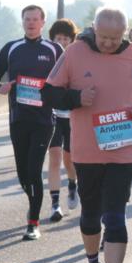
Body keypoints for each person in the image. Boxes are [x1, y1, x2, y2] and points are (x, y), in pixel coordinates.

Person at [45, 7, 132, 263]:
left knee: (115, 215)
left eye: (114, 38)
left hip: (125, 148)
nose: (108, 43)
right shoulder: (75, 52)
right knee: (91, 217)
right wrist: (75, 98)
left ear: (125, 33)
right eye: (103, 37)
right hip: (87, 150)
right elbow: (49, 94)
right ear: (93, 30)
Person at [0, 6, 63, 239]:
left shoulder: (53, 49)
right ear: (22, 22)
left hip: (44, 120)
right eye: (27, 19)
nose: (31, 23)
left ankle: (33, 222)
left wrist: (54, 92)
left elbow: (66, 78)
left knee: (33, 169)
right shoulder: (12, 48)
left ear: (43, 22)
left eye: (35, 19)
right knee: (23, 174)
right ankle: (33, 202)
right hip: (18, 119)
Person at [49, 18, 80, 211]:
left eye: (65, 38)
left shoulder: (77, 59)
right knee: (54, 157)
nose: (61, 42)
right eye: (57, 38)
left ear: (71, 40)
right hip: (52, 117)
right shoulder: (46, 59)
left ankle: (72, 184)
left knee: (69, 160)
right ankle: (54, 205)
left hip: (72, 117)